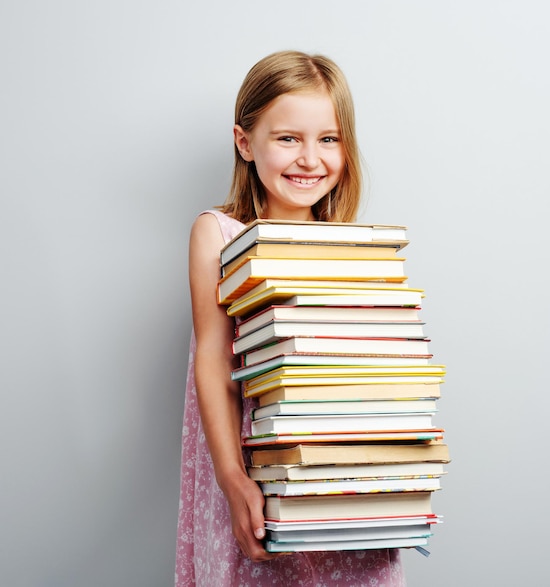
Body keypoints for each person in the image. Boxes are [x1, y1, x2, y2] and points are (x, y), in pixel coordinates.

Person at [175, 50, 406, 587]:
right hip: (255, 465)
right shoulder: (218, 233)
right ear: (244, 143)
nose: (309, 158)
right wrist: (232, 478)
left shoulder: (356, 247)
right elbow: (212, 357)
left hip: (337, 474)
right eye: (288, 139)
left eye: (328, 139)